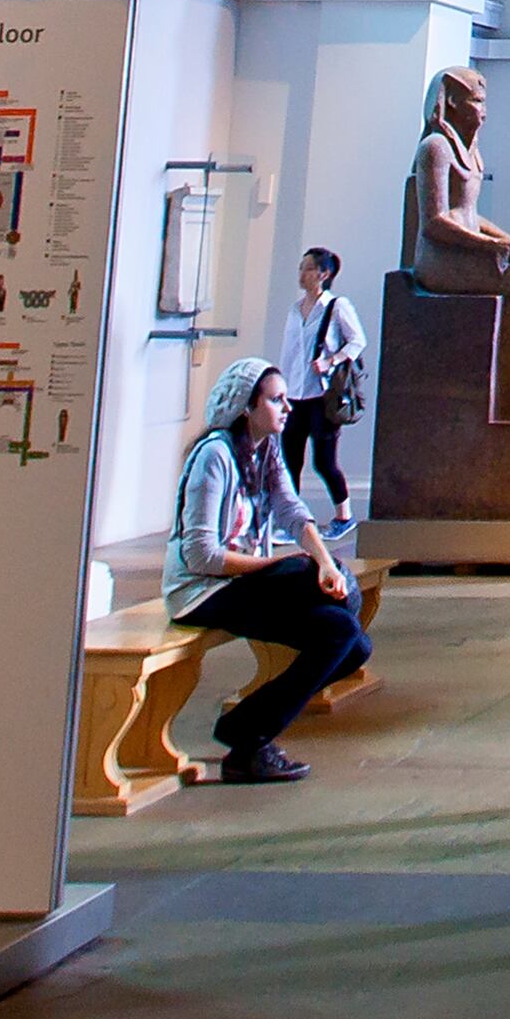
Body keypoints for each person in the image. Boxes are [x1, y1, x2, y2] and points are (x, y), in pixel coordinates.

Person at [164, 358, 365, 783]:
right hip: (202, 592)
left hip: (245, 585)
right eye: (276, 400)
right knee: (310, 582)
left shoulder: (265, 449)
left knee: (350, 639)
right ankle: (248, 739)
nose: (288, 407)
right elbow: (200, 556)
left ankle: (244, 732)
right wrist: (282, 565)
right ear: (246, 407)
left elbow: (292, 510)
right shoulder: (214, 457)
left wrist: (326, 563)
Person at [280, 247, 367, 530]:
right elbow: (289, 353)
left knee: (323, 461)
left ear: (323, 273)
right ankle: (292, 521)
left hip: (322, 395)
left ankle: (344, 516)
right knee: (290, 460)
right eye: (301, 268)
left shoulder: (336, 306)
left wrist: (331, 360)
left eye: (307, 268)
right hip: (295, 394)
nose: (301, 274)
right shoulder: (296, 309)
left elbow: (357, 341)